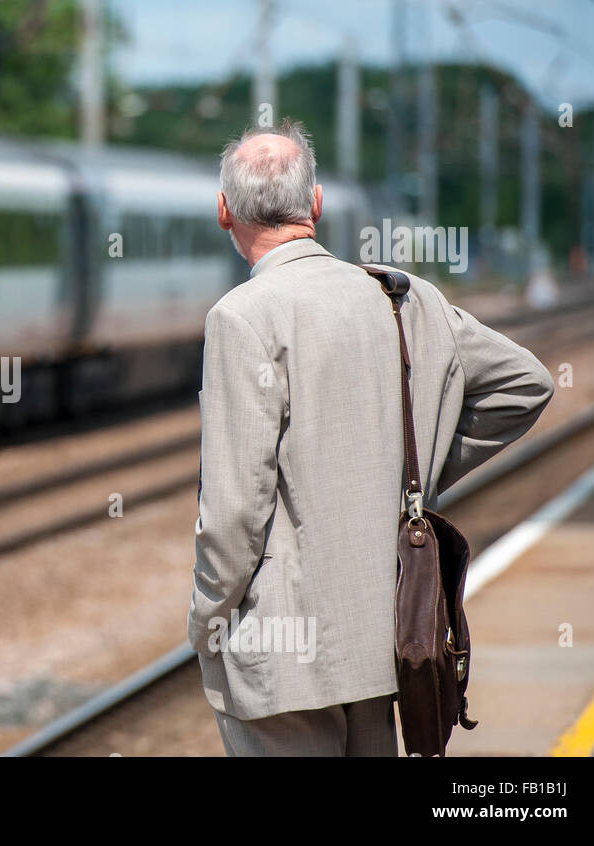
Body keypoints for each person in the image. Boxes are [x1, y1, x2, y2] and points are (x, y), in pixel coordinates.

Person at [188, 119, 555, 756]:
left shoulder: (241, 317)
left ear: (225, 212)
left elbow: (234, 513)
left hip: (283, 659)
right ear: (316, 203)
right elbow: (527, 383)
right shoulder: (400, 297)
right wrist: (413, 471)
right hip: (383, 641)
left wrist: (206, 620)